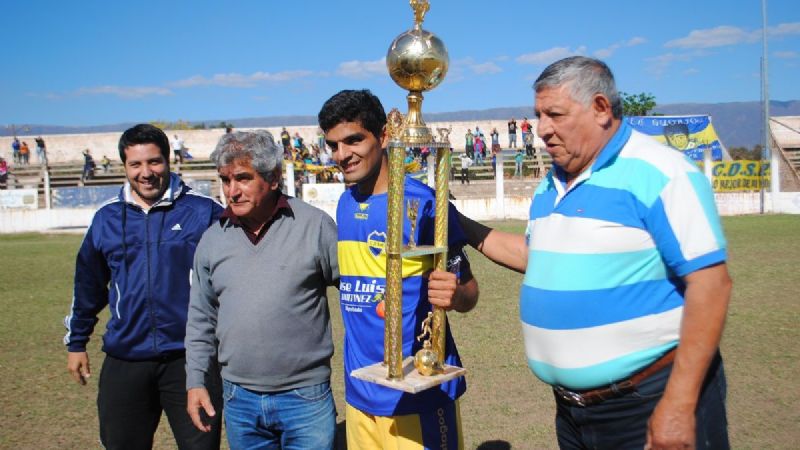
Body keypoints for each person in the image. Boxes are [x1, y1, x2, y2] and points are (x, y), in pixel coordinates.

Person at [458, 56, 732, 450]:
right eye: (538, 115)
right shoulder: (551, 185)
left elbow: (712, 285)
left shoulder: (661, 173)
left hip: (647, 403)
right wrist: (460, 224)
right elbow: (537, 258)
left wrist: (678, 404)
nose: (542, 130)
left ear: (601, 109)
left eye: (554, 114)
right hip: (574, 413)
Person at [319, 89, 480, 450]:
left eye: (354, 140)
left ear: (385, 136)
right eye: (333, 145)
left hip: (417, 391)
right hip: (360, 391)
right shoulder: (345, 203)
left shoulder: (423, 203)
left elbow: (469, 292)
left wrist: (455, 294)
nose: (342, 155)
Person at [63, 123, 224, 450]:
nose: (146, 172)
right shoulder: (107, 218)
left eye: (154, 162)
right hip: (126, 358)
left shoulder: (203, 212)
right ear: (125, 166)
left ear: (168, 161)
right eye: (136, 164)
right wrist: (77, 342)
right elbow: (88, 285)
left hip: (190, 360)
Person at [185, 130, 339, 449]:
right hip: (239, 399)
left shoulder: (315, 226)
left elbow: (357, 298)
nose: (232, 191)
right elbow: (200, 319)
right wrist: (196, 381)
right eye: (225, 180)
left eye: (243, 178)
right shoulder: (213, 240)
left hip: (305, 397)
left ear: (272, 178)